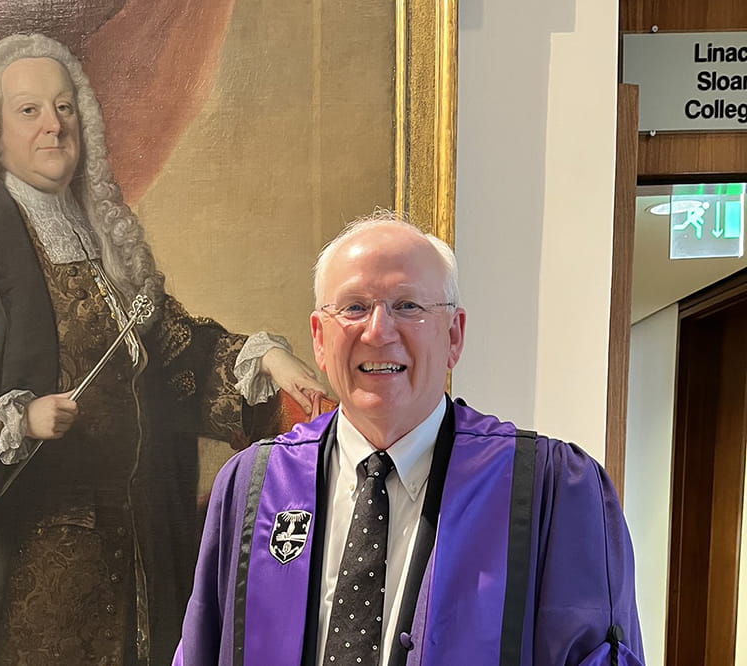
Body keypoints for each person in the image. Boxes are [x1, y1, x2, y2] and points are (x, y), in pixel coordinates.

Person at [0, 33, 324, 666]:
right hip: (20, 563)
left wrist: (266, 358)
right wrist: (17, 419)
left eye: (65, 107)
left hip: (128, 551)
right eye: (29, 111)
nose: (53, 126)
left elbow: (175, 356)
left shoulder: (104, 239)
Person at [173, 213, 645, 665]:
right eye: (354, 307)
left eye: (408, 306)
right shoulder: (254, 487)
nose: (379, 332)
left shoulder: (549, 491)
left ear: (454, 335)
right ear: (319, 338)